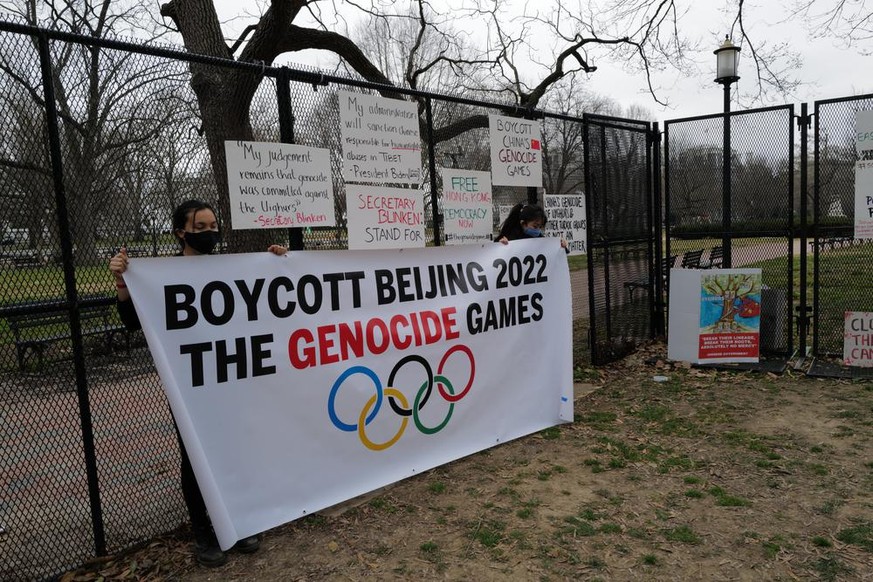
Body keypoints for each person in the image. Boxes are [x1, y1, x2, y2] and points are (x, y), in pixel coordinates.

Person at [108, 199, 287, 568]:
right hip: (190, 384)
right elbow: (131, 321)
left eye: (212, 227)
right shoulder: (163, 274)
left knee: (236, 449)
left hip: (232, 376)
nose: (209, 234)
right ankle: (204, 532)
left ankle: (239, 521)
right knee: (196, 458)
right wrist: (123, 283)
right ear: (180, 232)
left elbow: (270, 300)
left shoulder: (229, 268)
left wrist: (275, 263)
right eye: (200, 228)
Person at [495, 202, 569, 250]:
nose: (538, 230)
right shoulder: (511, 238)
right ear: (523, 223)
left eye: (540, 227)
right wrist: (501, 246)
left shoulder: (540, 239)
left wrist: (561, 246)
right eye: (535, 226)